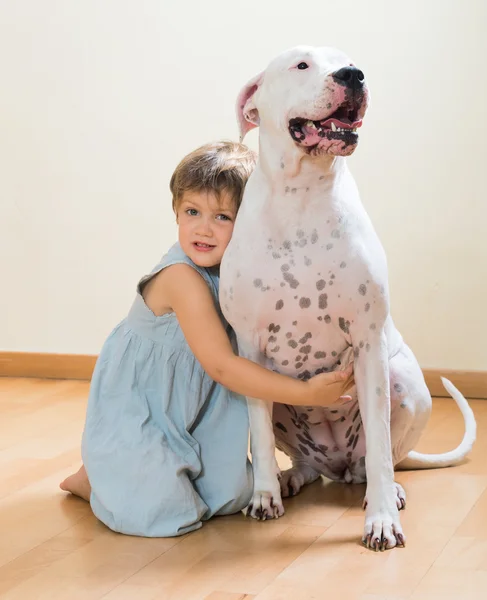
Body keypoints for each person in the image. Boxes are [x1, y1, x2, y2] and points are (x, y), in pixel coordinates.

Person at [60, 140, 354, 537]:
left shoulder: (242, 268)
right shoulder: (182, 278)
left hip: (200, 410)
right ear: (176, 211)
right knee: (163, 515)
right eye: (192, 212)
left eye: (222, 217)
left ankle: (130, 474)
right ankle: (94, 479)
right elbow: (221, 364)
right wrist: (308, 395)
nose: (203, 228)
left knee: (233, 497)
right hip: (147, 411)